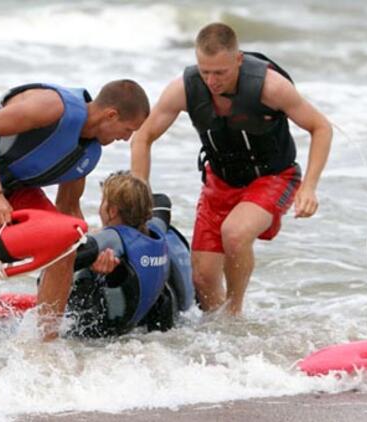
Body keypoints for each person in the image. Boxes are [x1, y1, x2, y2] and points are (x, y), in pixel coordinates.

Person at [130, 22, 332, 315]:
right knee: (203, 278)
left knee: (235, 233)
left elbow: (321, 127)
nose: (211, 81)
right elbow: (142, 138)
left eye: (220, 72)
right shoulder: (184, 89)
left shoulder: (270, 87)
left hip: (274, 177)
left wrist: (310, 186)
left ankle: (234, 311)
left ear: (238, 60)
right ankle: (223, 337)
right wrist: (140, 195)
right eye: (205, 71)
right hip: (220, 181)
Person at [0, 80, 150, 343]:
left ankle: (45, 344)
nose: (126, 139)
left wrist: (92, 247)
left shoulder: (87, 153)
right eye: (128, 130)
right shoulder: (52, 106)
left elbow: (68, 210)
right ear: (111, 115)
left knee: (67, 242)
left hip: (12, 189)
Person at [48, 171, 194, 338]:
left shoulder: (111, 238)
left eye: (102, 202)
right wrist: (139, 198)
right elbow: (162, 201)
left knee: (81, 273)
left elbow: (62, 256)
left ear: (111, 211)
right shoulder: (156, 229)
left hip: (103, 331)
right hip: (137, 319)